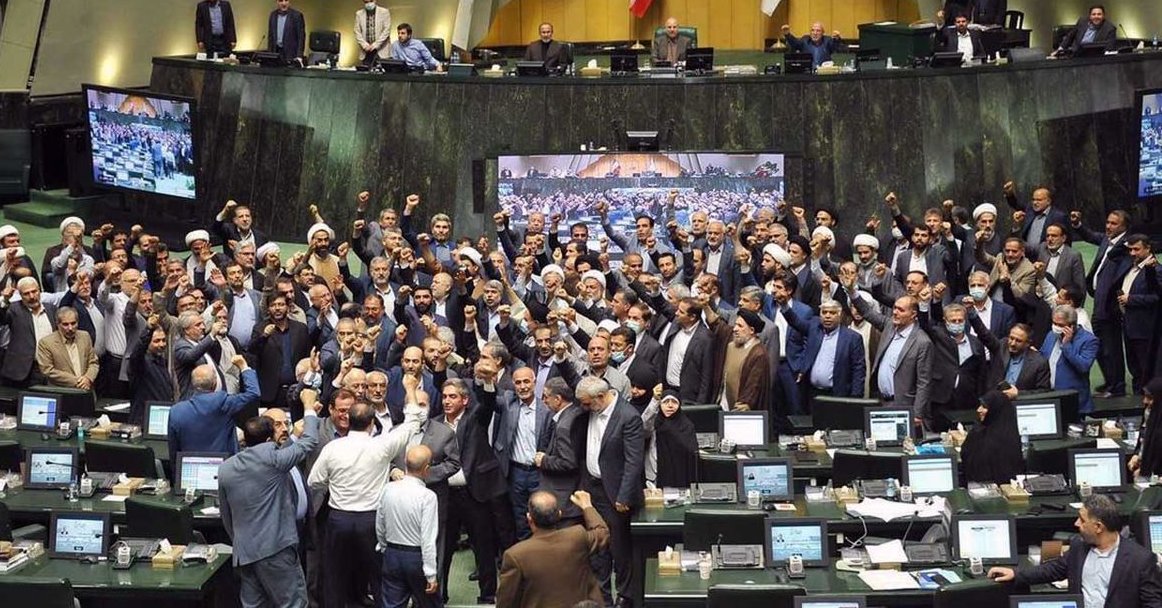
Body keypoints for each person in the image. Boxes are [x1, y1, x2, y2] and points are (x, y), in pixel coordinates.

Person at [307, 397, 416, 608]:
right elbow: (411, 424)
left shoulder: (332, 448)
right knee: (379, 575)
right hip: (371, 520)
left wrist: (337, 483)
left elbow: (314, 481)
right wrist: (410, 391)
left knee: (334, 576)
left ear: (349, 420)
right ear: (372, 423)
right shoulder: (382, 446)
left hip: (339, 519)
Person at [218, 398, 319, 608]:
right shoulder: (274, 460)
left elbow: (226, 515)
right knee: (293, 604)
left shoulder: (226, 468)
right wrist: (309, 409)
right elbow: (309, 440)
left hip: (245, 551)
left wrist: (240, 541)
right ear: (269, 438)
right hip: (276, 550)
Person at [988, 494, 1162, 607]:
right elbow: (1054, 569)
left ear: (1098, 527)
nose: (1076, 524)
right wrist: (1016, 574)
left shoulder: (1141, 560)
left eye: (1082, 520)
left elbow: (1153, 604)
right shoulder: (1080, 546)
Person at [576, 376, 644, 607]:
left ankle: (625, 595)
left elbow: (634, 461)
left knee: (619, 547)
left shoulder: (628, 416)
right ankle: (601, 596)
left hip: (615, 493)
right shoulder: (592, 405)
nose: (583, 408)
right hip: (592, 487)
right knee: (597, 546)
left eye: (587, 403)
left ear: (600, 397)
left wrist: (624, 496)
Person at [496, 490, 609, 608]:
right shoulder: (577, 537)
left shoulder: (516, 555)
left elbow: (506, 602)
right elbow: (602, 533)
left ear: (529, 518)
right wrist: (587, 506)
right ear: (559, 514)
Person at [376, 445, 441, 608]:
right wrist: (431, 573)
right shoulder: (428, 497)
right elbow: (427, 539)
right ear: (426, 469)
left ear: (405, 462)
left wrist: (385, 548)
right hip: (416, 557)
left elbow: (380, 525)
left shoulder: (388, 489)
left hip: (392, 553)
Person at [168, 358, 259, 457]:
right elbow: (253, 392)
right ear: (214, 383)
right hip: (223, 463)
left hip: (189, 463)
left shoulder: (176, 411)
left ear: (193, 384)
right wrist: (244, 366)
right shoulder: (224, 402)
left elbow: (173, 449)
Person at [1117, 234, 1160, 395]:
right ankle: (1137, 399)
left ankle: (1149, 402)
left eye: (1136, 249)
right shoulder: (1130, 268)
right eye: (1130, 249)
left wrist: (1131, 299)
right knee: (1134, 368)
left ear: (1148, 248)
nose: (1132, 253)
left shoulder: (1157, 270)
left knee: (1146, 369)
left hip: (1145, 329)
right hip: (1129, 326)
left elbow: (1158, 297)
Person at [1042, 304, 1100, 414]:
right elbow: (1043, 356)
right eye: (1054, 323)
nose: (1055, 327)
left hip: (1072, 400)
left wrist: (1067, 345)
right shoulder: (1051, 335)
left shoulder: (1089, 340)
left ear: (1072, 326)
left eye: (1060, 325)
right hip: (1050, 396)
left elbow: (1083, 366)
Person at [961, 390, 1024, 484]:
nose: (979, 410)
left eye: (984, 407)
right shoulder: (1012, 434)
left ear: (994, 410)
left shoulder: (982, 437)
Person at [642, 388, 697, 489]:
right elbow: (643, 426)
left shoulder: (687, 426)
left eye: (674, 402)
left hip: (680, 477)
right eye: (665, 402)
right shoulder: (655, 423)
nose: (670, 405)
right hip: (655, 475)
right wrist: (655, 400)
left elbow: (691, 453)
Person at [35, 307, 98, 390]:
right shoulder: (46, 343)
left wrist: (88, 378)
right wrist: (79, 381)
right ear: (58, 324)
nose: (70, 328)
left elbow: (93, 362)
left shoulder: (85, 336)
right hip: (62, 391)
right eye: (65, 324)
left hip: (86, 390)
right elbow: (47, 370)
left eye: (73, 323)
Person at [781, 22, 846, 67]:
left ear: (822, 33)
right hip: (808, 73)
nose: (815, 33)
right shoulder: (805, 40)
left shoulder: (827, 40)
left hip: (824, 73)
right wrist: (787, 35)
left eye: (818, 31)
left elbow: (839, 48)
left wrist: (837, 40)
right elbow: (795, 44)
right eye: (812, 30)